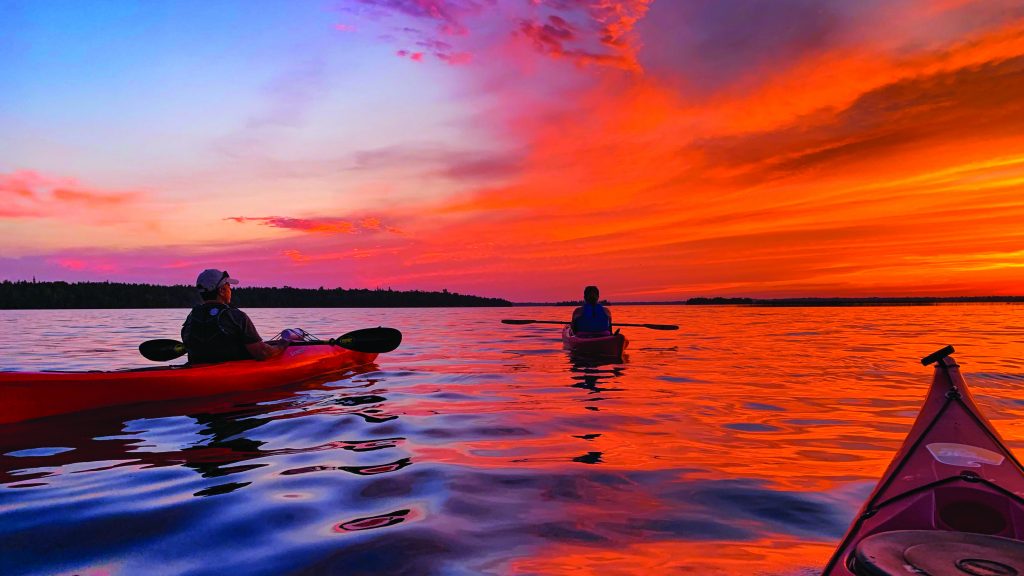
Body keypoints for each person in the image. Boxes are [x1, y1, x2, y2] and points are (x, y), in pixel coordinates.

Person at [181, 269, 287, 364]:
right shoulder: (236, 316)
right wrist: (282, 345)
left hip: (198, 373)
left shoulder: (191, 317)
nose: (230, 290)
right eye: (229, 286)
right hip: (230, 376)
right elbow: (262, 353)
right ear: (222, 290)